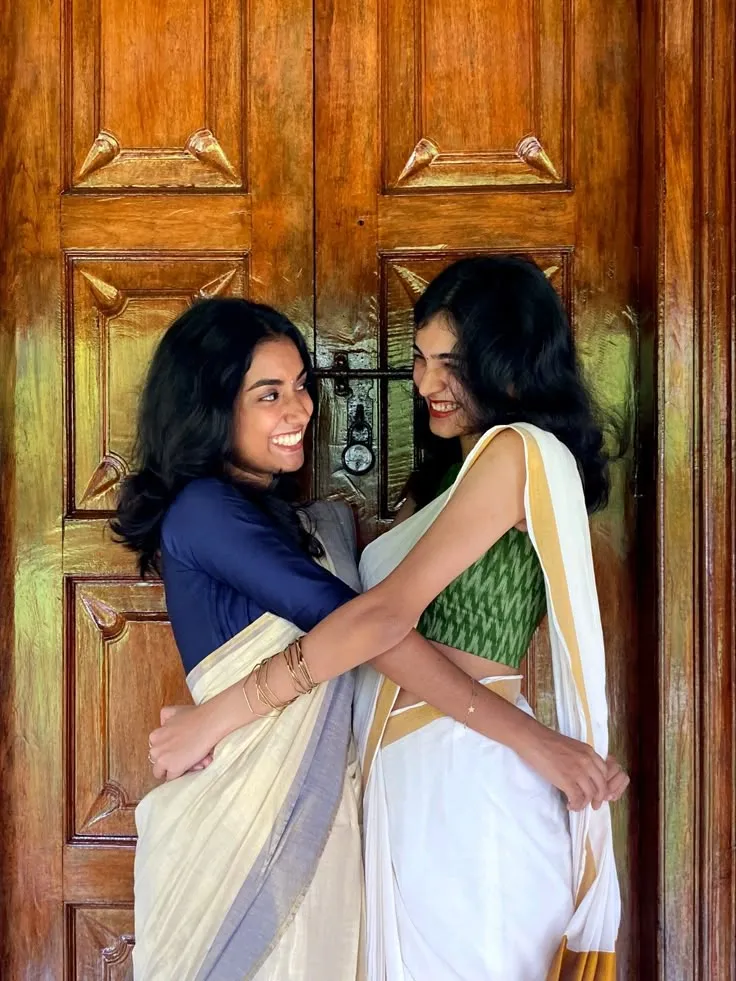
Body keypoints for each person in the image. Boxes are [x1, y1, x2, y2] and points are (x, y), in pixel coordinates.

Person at [146, 259, 627, 980]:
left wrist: (215, 716)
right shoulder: (438, 485)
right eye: (420, 360)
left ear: (512, 364)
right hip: (397, 782)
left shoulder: (515, 454)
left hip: (473, 776)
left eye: (453, 364)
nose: (428, 384)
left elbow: (375, 619)